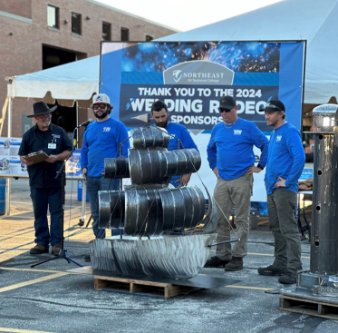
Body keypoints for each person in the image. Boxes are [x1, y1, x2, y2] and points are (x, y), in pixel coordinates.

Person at [205, 96, 268, 271]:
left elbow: (265, 144)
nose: (224, 113)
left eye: (228, 110)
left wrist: (260, 166)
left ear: (235, 109)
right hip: (222, 179)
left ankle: (238, 256)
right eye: (222, 111)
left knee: (241, 219)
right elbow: (210, 149)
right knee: (220, 218)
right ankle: (223, 255)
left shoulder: (248, 127)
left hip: (242, 178)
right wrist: (213, 166)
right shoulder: (217, 128)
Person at [257, 99, 305, 284]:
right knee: (276, 228)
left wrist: (289, 180)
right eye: (266, 112)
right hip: (273, 189)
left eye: (270, 112)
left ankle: (294, 269)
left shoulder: (290, 131)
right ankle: (280, 263)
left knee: (289, 229)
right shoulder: (276, 132)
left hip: (284, 190)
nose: (266, 115)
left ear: (281, 113)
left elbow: (299, 158)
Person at [19, 102, 73, 256]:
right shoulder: (29, 135)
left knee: (56, 212)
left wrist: (56, 157)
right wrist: (28, 159)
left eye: (48, 115)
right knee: (39, 213)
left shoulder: (59, 131)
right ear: (36, 118)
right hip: (37, 180)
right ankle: (41, 243)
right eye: (42, 115)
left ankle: (57, 244)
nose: (46, 118)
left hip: (56, 180)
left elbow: (69, 150)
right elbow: (22, 156)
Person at [80, 93, 129, 239]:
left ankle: (116, 242)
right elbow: (84, 150)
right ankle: (100, 242)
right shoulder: (90, 128)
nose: (99, 109)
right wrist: (84, 167)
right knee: (96, 213)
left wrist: (113, 168)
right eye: (96, 106)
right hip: (91, 177)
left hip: (110, 177)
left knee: (114, 211)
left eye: (102, 106)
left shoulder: (118, 126)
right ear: (93, 109)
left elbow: (124, 151)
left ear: (109, 108)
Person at [151, 100, 198, 187]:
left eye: (163, 116)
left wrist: (187, 174)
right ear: (152, 117)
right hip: (154, 181)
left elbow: (194, 153)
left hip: (176, 181)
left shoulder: (180, 130)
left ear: (167, 114)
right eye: (157, 117)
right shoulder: (148, 132)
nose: (161, 120)